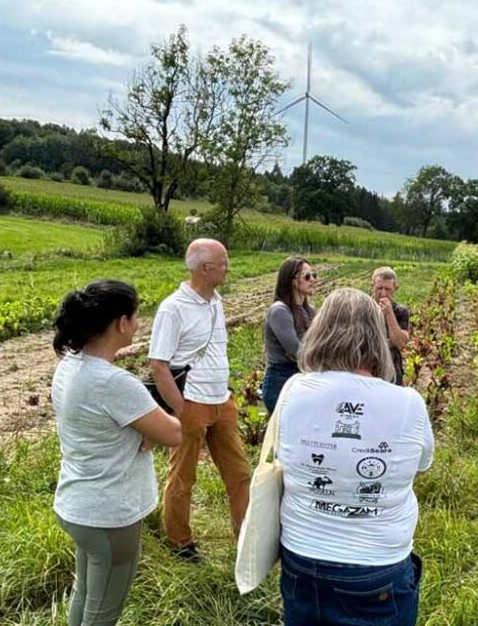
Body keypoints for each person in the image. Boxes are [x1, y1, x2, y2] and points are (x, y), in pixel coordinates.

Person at [277, 288, 434, 625]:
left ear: (320, 331)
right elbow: (422, 465)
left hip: (301, 557)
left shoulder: (294, 389)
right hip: (376, 565)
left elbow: (282, 452)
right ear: (376, 337)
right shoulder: (408, 402)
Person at [51, 280, 181, 626]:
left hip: (78, 504)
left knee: (86, 594)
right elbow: (174, 433)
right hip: (110, 515)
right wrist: (158, 421)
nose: (139, 323)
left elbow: (105, 426)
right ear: (121, 323)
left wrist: (141, 428)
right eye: (137, 315)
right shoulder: (115, 383)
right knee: (103, 613)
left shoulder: (69, 365)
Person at [149, 238, 252, 563]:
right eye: (223, 262)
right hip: (191, 403)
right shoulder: (173, 308)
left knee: (240, 474)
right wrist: (181, 409)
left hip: (222, 402)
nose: (228, 266)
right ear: (206, 269)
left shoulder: (216, 301)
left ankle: (247, 539)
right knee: (182, 477)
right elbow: (158, 365)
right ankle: (181, 544)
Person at [263, 256, 317, 413]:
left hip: (302, 377)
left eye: (314, 275)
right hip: (281, 380)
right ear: (293, 281)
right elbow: (295, 349)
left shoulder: (309, 311)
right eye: (307, 276)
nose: (312, 280)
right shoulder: (280, 310)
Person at [371, 266, 411, 385]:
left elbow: (401, 343)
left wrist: (389, 314)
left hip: (392, 367)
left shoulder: (401, 311)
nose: (383, 293)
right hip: (368, 368)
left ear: (395, 288)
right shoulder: (363, 307)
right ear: (372, 286)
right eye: (379, 288)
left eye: (387, 289)